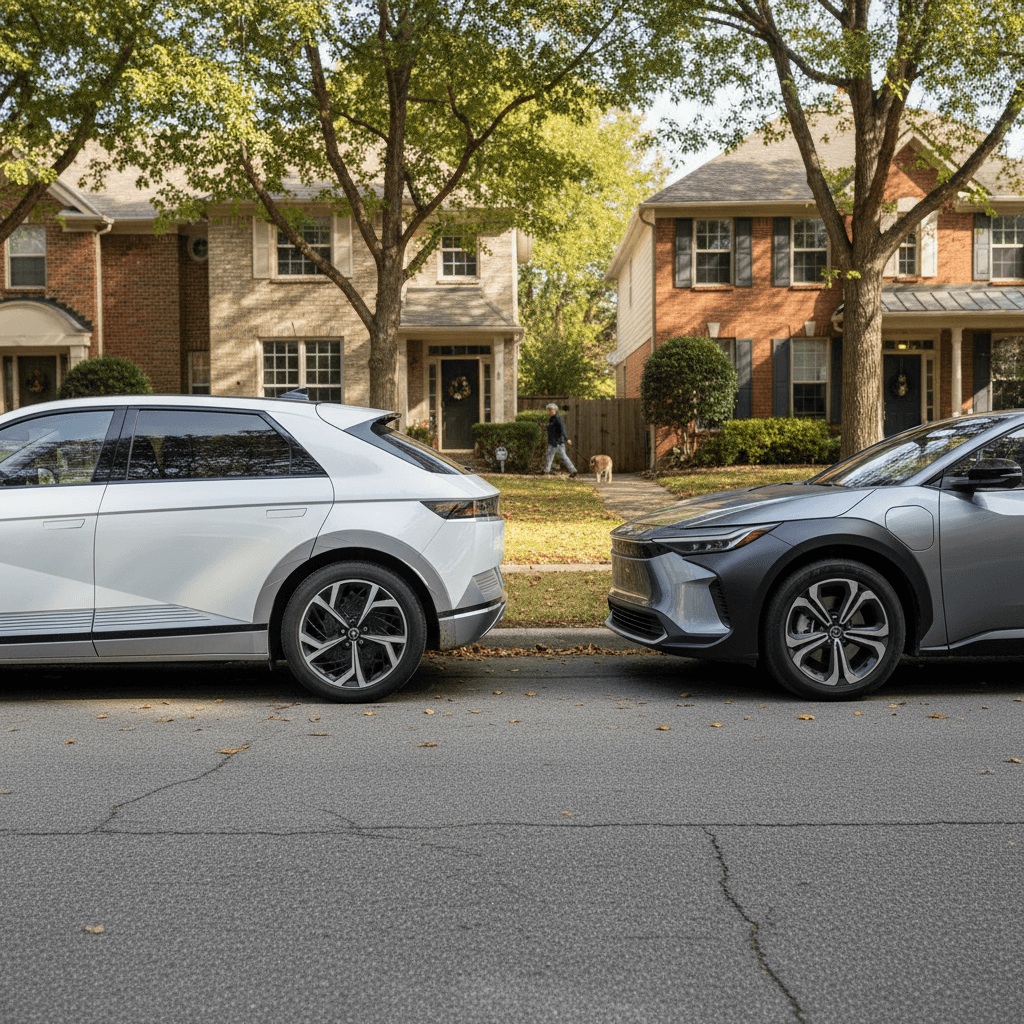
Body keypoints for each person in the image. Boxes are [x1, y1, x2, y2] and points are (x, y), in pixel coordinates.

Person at [543, 402, 577, 477]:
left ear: (554, 410)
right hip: (554, 441)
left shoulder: (558, 418)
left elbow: (563, 429)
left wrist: (566, 439)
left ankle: (546, 471)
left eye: (550, 410)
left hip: (557, 442)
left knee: (552, 455)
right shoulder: (552, 419)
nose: (549, 412)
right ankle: (573, 470)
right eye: (548, 410)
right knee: (557, 456)